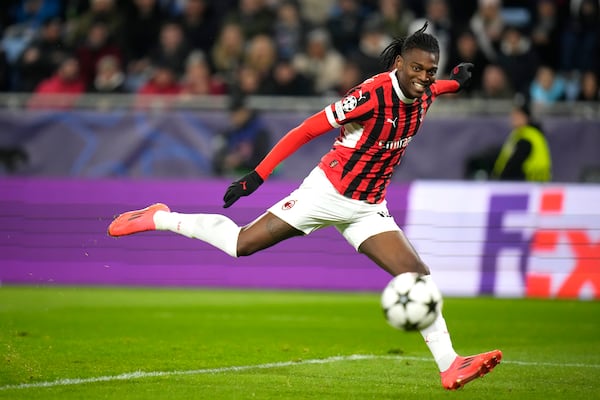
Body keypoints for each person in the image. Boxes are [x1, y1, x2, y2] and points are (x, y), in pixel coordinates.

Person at [107, 22, 502, 390]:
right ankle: (160, 216)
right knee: (241, 245)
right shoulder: (371, 95)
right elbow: (308, 128)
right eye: (416, 68)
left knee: (417, 274)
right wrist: (257, 176)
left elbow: (437, 89)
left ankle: (450, 365)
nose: (423, 78)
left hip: (368, 207)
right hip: (325, 193)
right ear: (399, 63)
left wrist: (455, 83)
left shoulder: (426, 92)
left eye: (430, 71)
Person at [491, 99, 552, 182]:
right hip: (537, 184)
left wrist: (499, 180)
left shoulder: (527, 138)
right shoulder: (522, 135)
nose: (513, 118)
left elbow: (513, 165)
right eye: (513, 115)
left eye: (517, 115)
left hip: (528, 184)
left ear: (526, 117)